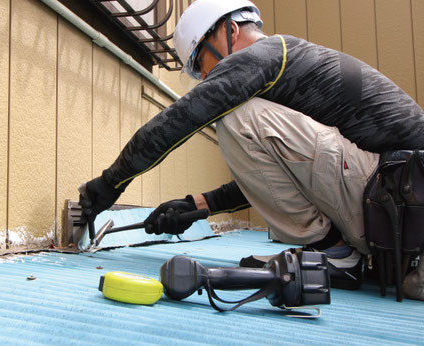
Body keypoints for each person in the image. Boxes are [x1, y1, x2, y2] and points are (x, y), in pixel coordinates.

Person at [79, 0, 424, 296]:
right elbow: (296, 168)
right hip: (394, 199)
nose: (204, 76)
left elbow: (179, 119)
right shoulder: (288, 69)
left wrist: (111, 182)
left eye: (200, 62)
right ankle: (336, 251)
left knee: (235, 117)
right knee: (243, 117)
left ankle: (333, 254)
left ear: (228, 30)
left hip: (396, 193)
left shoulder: (267, 54)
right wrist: (197, 205)